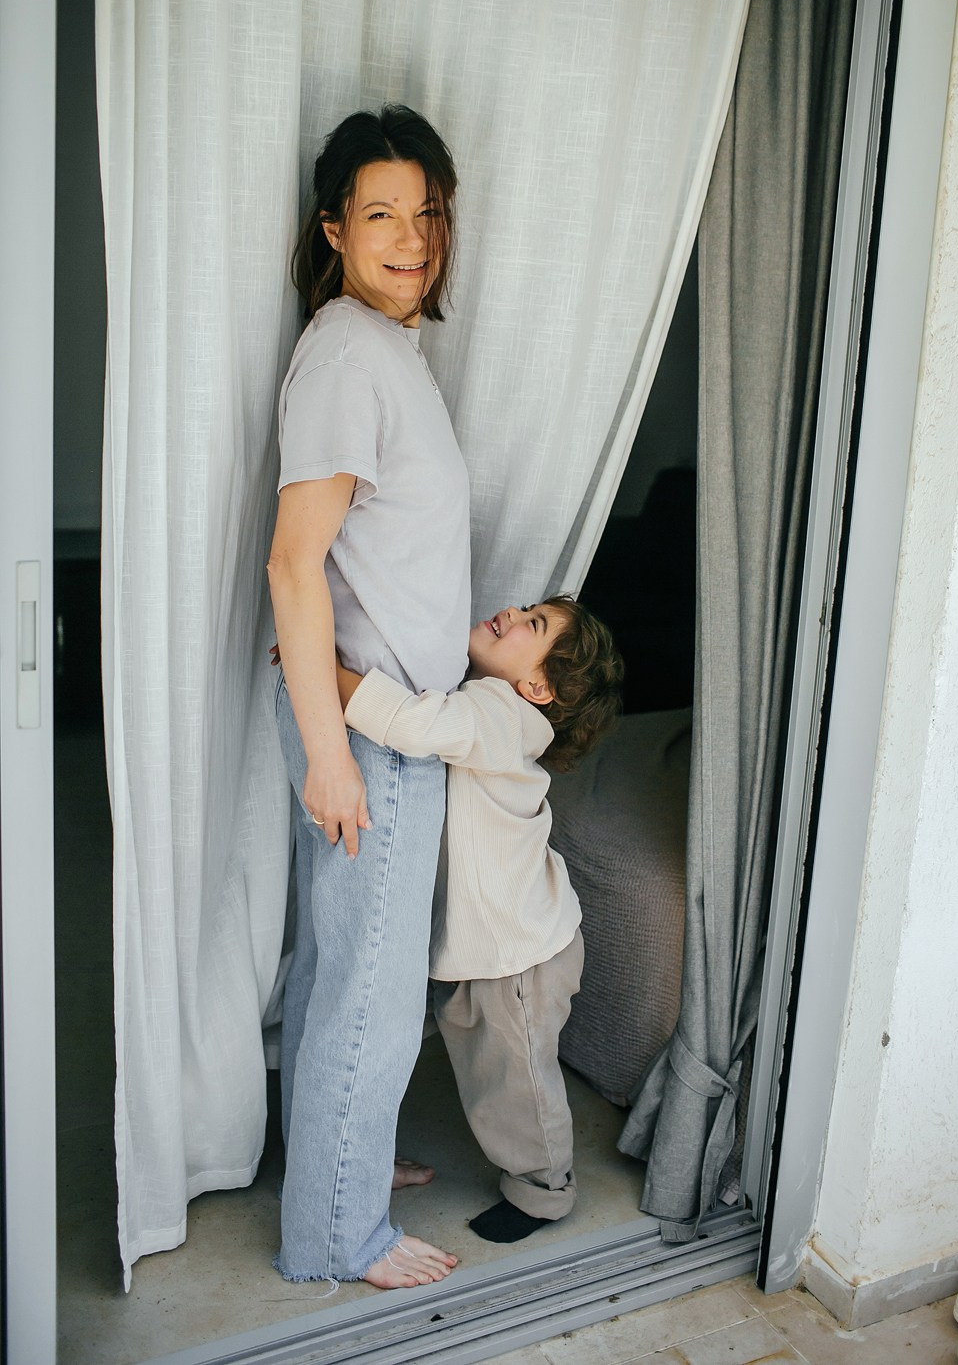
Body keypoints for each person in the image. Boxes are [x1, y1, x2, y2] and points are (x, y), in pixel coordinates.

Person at [267, 105, 470, 1289]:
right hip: (371, 740)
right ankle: (336, 1236)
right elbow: (296, 563)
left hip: (385, 724)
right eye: (379, 214)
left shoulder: (380, 347)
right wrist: (327, 754)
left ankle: (337, 1154)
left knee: (336, 971)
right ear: (334, 228)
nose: (409, 237)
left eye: (425, 213)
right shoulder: (349, 354)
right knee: (369, 995)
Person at [336, 596, 623, 1244]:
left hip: (519, 953)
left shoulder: (503, 714)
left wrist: (321, 669)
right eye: (527, 607)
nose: (514, 613)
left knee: (516, 1079)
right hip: (498, 941)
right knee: (485, 1061)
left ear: (538, 686)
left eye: (535, 625)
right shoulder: (492, 706)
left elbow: (409, 724)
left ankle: (544, 1190)